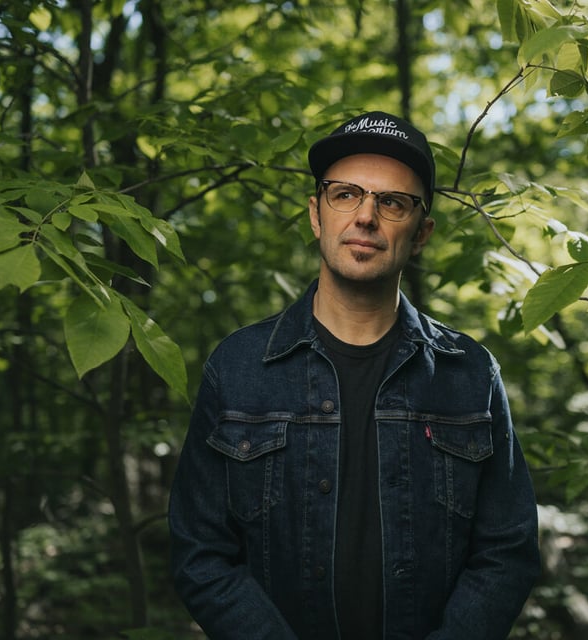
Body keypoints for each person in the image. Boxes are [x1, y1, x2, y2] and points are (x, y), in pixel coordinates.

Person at [168, 111, 541, 639]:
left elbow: (508, 551)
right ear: (317, 215)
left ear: (421, 233)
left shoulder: (470, 375)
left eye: (392, 202)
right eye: (346, 194)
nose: (366, 216)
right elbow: (200, 553)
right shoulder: (237, 368)